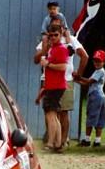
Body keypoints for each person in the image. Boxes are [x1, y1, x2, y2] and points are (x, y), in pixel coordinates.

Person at [35, 16, 87, 147]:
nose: (53, 36)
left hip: (63, 81)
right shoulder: (49, 45)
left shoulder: (67, 44)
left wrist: (78, 75)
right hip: (49, 82)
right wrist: (45, 49)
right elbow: (36, 59)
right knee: (51, 113)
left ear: (63, 29)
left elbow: (81, 57)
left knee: (61, 112)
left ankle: (61, 141)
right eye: (51, 32)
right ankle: (55, 140)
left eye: (56, 32)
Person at [39, 25, 70, 152]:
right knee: (53, 115)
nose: (53, 37)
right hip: (52, 85)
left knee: (51, 115)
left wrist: (48, 64)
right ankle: (57, 143)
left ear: (61, 34)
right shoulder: (52, 48)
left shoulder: (61, 49)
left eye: (55, 35)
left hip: (56, 85)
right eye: (50, 35)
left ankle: (51, 142)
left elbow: (63, 67)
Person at [76, 50, 105, 147]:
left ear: (104, 62)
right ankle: (97, 140)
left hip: (95, 95)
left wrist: (79, 77)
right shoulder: (98, 71)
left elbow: (89, 81)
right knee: (100, 117)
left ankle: (87, 139)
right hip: (101, 95)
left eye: (99, 61)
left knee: (91, 116)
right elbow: (87, 83)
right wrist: (78, 81)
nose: (97, 63)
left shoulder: (100, 71)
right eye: (95, 61)